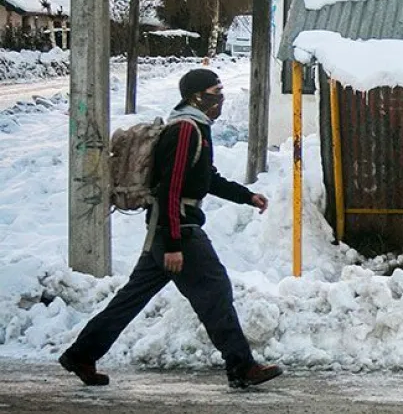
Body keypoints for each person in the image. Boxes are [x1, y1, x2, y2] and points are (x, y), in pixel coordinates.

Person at [59, 68, 283, 389]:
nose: (219, 98)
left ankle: (81, 354)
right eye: (214, 92)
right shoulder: (184, 132)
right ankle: (241, 366)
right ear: (196, 96)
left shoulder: (195, 129)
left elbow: (207, 178)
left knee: (131, 298)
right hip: (178, 227)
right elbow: (171, 188)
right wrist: (175, 242)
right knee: (216, 290)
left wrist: (246, 196)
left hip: (165, 227)